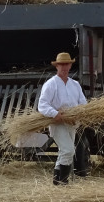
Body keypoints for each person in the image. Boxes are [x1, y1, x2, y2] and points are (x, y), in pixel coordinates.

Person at [37, 52, 87, 186]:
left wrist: (78, 113)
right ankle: (63, 182)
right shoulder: (51, 84)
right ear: (57, 66)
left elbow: (83, 103)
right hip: (57, 123)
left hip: (72, 123)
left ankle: (57, 181)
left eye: (67, 64)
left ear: (70, 65)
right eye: (61, 65)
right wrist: (55, 114)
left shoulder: (75, 84)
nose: (64, 67)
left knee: (65, 152)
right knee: (68, 150)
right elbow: (42, 105)